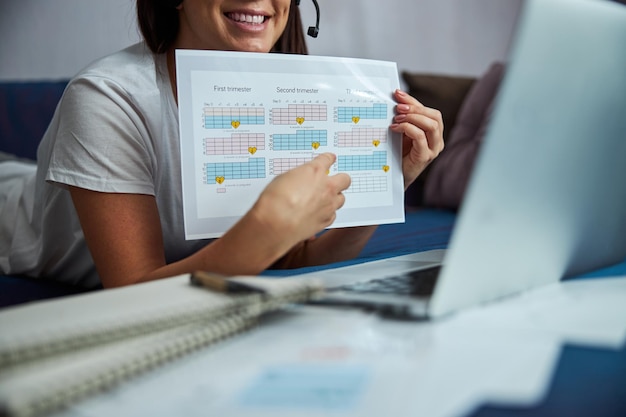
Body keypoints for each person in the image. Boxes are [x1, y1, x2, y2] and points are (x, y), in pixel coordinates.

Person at [0, 0, 444, 289]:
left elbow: (293, 258)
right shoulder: (105, 97)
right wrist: (265, 231)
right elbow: (134, 292)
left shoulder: (292, 99)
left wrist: (387, 185)